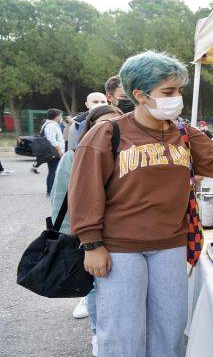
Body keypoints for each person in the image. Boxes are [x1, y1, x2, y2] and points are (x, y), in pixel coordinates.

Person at [68, 51, 213, 356]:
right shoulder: (109, 133)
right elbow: (84, 189)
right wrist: (90, 243)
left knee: (170, 329)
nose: (176, 97)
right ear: (140, 95)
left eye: (178, 90)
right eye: (168, 91)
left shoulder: (184, 134)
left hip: (171, 244)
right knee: (123, 333)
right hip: (119, 248)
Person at [51, 104, 123, 356]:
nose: (109, 129)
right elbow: (61, 199)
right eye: (102, 124)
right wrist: (75, 238)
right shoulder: (74, 156)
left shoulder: (125, 155)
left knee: (111, 290)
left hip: (119, 238)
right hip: (88, 238)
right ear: (90, 127)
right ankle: (96, 333)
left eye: (115, 124)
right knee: (94, 287)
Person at [41, 109, 65, 195]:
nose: (60, 117)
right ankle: (50, 190)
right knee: (53, 171)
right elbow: (52, 139)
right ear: (56, 116)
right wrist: (59, 151)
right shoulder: (50, 125)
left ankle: (52, 189)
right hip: (54, 152)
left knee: (54, 171)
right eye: (60, 115)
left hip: (54, 152)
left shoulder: (53, 125)